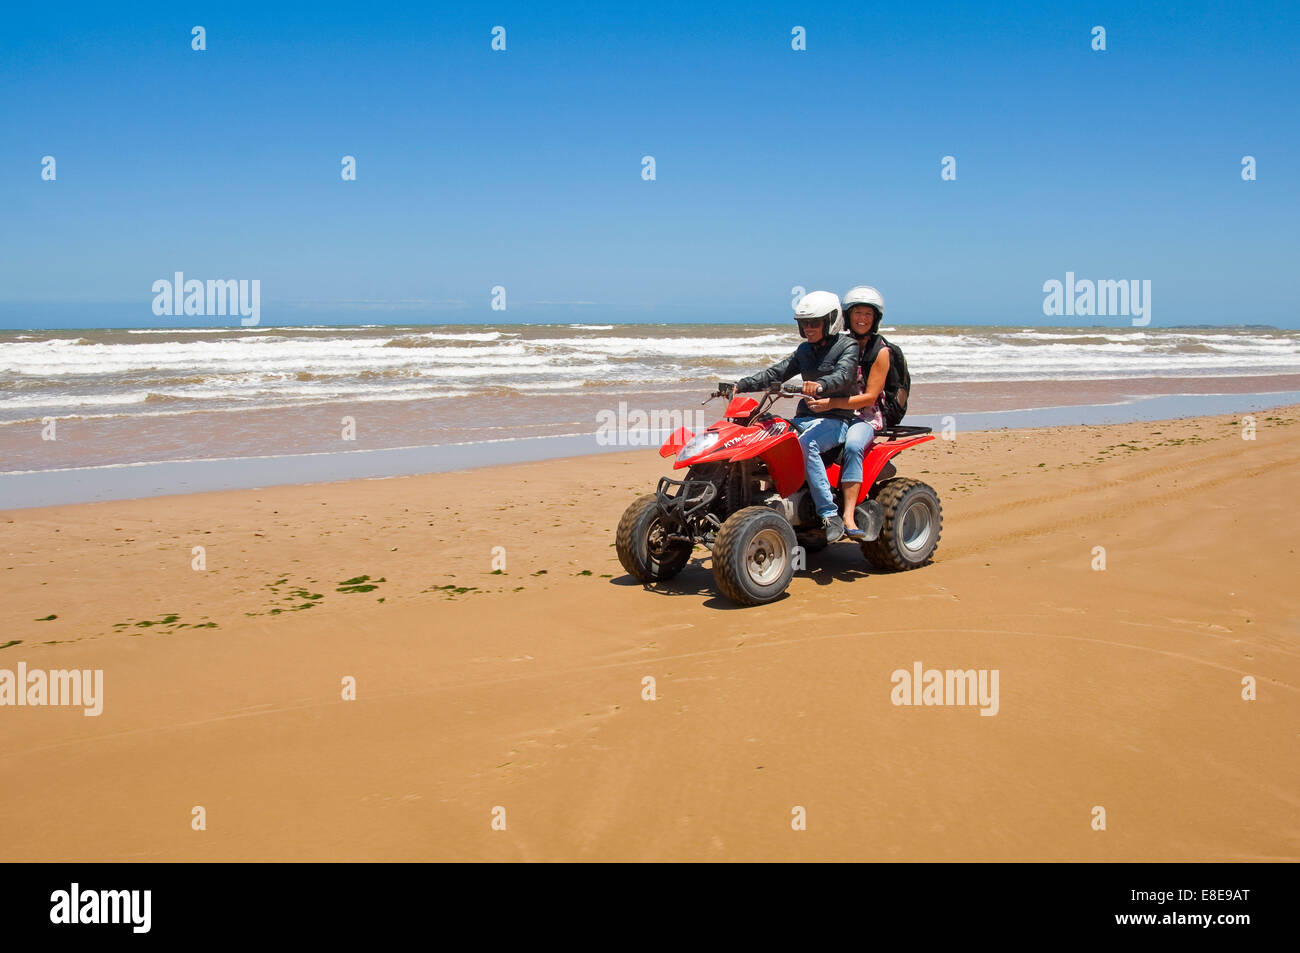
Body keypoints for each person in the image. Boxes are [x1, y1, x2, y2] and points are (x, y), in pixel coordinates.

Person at [719, 291, 858, 542]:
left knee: (807, 444)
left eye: (814, 322)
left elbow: (844, 376)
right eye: (804, 323)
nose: (808, 328)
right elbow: (777, 372)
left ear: (831, 320)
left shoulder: (847, 346)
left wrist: (820, 385)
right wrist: (740, 384)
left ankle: (829, 513)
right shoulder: (804, 350)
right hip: (806, 418)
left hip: (837, 420)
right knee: (761, 433)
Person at [806, 286, 889, 541]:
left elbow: (870, 397)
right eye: (857, 313)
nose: (861, 319)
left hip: (864, 416)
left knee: (853, 446)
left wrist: (831, 403)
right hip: (836, 412)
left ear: (875, 318)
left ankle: (848, 516)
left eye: (867, 314)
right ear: (846, 316)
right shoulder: (837, 343)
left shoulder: (880, 351)